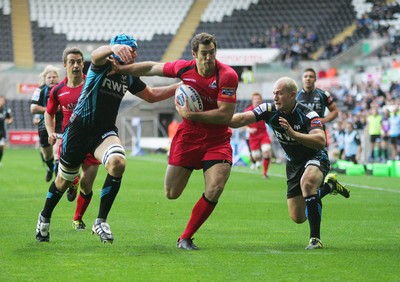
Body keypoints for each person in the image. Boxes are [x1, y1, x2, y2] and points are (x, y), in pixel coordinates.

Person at [35, 33, 181, 243]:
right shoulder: (101, 64)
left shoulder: (128, 75)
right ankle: (44, 217)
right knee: (63, 182)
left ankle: (100, 220)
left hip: (103, 132)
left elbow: (151, 95)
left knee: (117, 163)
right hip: (78, 131)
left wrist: (178, 87)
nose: (135, 54)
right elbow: (95, 55)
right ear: (122, 49)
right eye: (132, 49)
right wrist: (112, 48)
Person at [111, 32, 238, 250]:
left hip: (217, 140)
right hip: (188, 137)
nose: (208, 58)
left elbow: (225, 115)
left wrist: (192, 115)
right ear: (194, 54)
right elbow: (152, 68)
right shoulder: (184, 68)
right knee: (171, 193)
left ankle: (186, 237)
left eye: (212, 53)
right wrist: (122, 70)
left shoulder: (227, 76)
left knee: (216, 186)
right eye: (204, 54)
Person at [228, 77, 350, 250]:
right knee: (298, 217)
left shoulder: (308, 114)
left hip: (315, 156)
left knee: (307, 183)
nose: (275, 97)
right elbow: (240, 119)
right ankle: (329, 187)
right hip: (293, 163)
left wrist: (293, 134)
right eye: (273, 94)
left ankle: (315, 239)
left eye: (279, 94)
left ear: (292, 95)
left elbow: (321, 140)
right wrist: (217, 117)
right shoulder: (268, 109)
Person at [45, 47, 100, 231]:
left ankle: (78, 219)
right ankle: (71, 182)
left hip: (92, 141)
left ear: (83, 64)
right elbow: (49, 113)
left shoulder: (92, 84)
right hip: (70, 142)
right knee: (64, 181)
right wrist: (51, 132)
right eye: (72, 62)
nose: (76, 65)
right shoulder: (57, 90)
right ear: (65, 65)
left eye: (79, 62)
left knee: (87, 184)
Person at [30, 65, 63, 182]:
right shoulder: (40, 90)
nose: (52, 79)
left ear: (58, 78)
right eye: (49, 77)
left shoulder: (62, 89)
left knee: (57, 152)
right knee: (47, 156)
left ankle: (58, 178)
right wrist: (50, 109)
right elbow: (33, 108)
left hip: (60, 123)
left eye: (54, 77)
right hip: (44, 125)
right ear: (44, 78)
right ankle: (49, 168)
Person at [244, 92, 272, 178]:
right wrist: (249, 129)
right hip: (253, 136)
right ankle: (255, 161)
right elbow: (242, 123)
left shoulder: (264, 109)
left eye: (259, 99)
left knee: (266, 151)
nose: (257, 101)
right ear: (252, 101)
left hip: (263, 133)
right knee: (256, 156)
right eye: (255, 99)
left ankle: (264, 173)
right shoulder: (248, 111)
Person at [0, 96, 13, 166]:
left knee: (1, 146)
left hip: (3, 132)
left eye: (2, 100)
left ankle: (0, 160)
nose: (1, 102)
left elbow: (10, 119)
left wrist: (8, 121)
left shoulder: (6, 110)